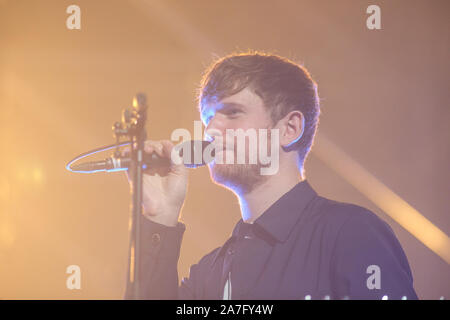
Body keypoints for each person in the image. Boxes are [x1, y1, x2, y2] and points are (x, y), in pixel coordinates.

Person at [124, 52, 418, 300]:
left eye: (233, 112)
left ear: (289, 129)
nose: (211, 130)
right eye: (207, 118)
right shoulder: (209, 272)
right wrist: (160, 218)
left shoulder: (351, 233)